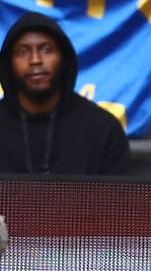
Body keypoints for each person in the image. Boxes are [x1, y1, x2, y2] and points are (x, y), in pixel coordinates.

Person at [0, 12, 129, 175]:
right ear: (8, 63)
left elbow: (116, 199)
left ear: (63, 58)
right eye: (23, 52)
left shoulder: (103, 129)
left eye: (46, 50)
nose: (35, 60)